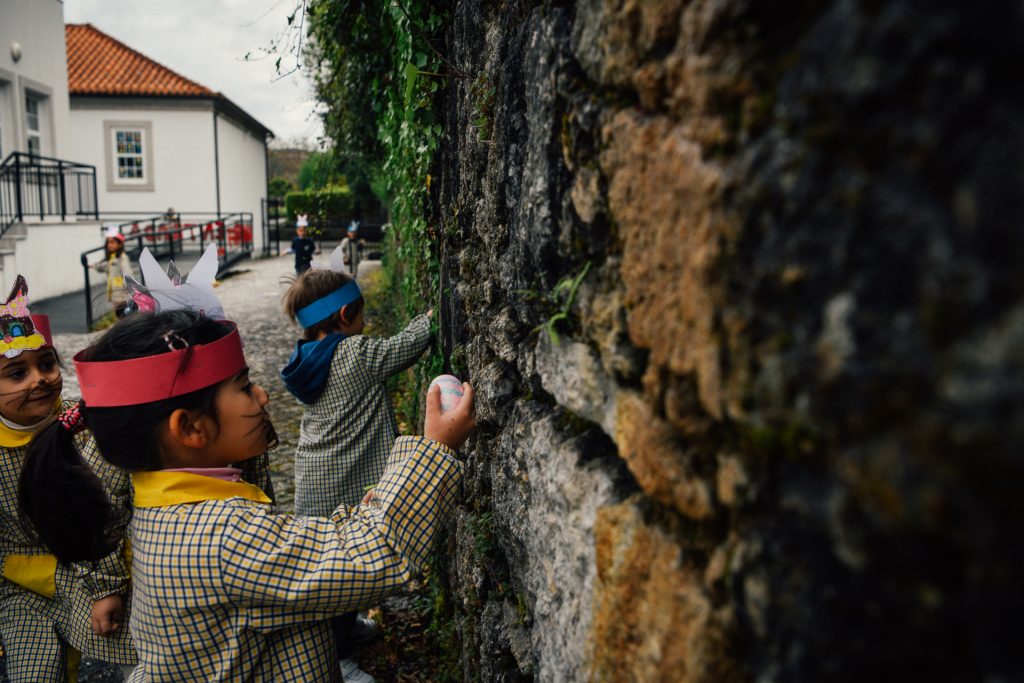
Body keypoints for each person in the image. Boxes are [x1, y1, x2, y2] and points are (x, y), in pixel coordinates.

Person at [20, 307, 473, 682]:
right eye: (242, 386)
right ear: (191, 428)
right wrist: (430, 450)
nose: (262, 396)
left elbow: (315, 546)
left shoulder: (166, 506)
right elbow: (376, 552)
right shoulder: (224, 536)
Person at [280, 260, 434, 681]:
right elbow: (403, 348)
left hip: (314, 477)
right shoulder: (357, 352)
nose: (365, 323)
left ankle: (344, 631)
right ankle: (335, 657)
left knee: (326, 563)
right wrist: (428, 320)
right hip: (347, 480)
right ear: (346, 315)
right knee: (344, 569)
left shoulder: (305, 360)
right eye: (362, 314)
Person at [0, 274, 137, 681]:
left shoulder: (82, 426)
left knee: (142, 652)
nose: (39, 379)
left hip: (89, 570)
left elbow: (100, 516)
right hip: (18, 585)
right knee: (35, 673)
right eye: (16, 373)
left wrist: (104, 588)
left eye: (46, 364)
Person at [92, 226, 134, 317]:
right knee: (119, 316)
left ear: (119, 244)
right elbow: (106, 266)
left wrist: (130, 290)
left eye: (112, 242)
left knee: (122, 316)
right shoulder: (113, 257)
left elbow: (128, 274)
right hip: (115, 294)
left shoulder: (122, 258)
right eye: (108, 242)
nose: (109, 245)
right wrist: (95, 266)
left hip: (122, 294)